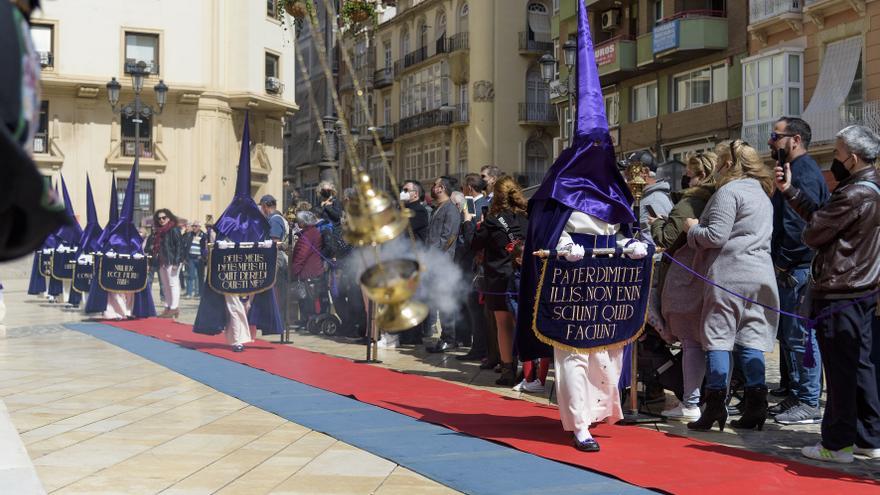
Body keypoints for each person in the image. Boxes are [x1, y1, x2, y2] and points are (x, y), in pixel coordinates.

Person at [775, 124, 880, 463]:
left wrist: (794, 198)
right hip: (859, 288)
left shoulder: (855, 193)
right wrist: (791, 191)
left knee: (840, 371)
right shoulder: (868, 188)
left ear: (851, 158)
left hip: (841, 289)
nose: (833, 159)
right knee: (859, 366)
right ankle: (868, 436)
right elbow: (823, 221)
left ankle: (837, 444)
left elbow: (815, 232)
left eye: (836, 154)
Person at [684, 140, 779, 433]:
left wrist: (692, 229)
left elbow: (715, 235)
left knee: (718, 338)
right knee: (751, 339)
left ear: (727, 164)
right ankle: (755, 406)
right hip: (761, 274)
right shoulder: (763, 194)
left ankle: (714, 406)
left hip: (730, 274)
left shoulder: (729, 192)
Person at [766, 117, 830, 425]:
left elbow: (799, 225)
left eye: (776, 136)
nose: (771, 142)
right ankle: (796, 392)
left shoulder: (803, 172)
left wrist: (782, 263)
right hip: (792, 266)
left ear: (795, 140)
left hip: (797, 268)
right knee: (790, 337)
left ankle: (808, 400)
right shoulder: (792, 170)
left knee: (802, 337)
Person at [648, 152, 717, 420]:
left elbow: (667, 237)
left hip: (687, 277)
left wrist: (657, 225)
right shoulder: (717, 198)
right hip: (709, 275)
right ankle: (707, 398)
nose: (686, 177)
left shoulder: (692, 202)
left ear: (699, 174)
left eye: (690, 172)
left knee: (690, 342)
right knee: (709, 342)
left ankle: (691, 400)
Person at [469, 176, 528, 384]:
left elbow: (475, 244)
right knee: (522, 324)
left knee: (503, 325)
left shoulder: (492, 219)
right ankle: (527, 369)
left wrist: (475, 225)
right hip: (523, 277)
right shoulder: (527, 217)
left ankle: (507, 370)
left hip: (499, 278)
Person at [424, 176, 462, 351]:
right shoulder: (436, 209)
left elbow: (449, 237)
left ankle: (450, 338)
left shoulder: (450, 210)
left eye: (435, 185)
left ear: (441, 188)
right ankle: (444, 336)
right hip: (434, 262)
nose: (432, 188)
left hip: (444, 262)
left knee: (445, 300)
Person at [507, 240, 550, 394]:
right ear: (518, 259)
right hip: (523, 316)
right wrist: (517, 312)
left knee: (543, 349)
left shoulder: (540, 271)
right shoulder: (515, 275)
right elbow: (510, 296)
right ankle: (528, 379)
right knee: (524, 348)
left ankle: (541, 381)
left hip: (540, 316)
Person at [146, 208, 186, 318]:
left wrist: (176, 262)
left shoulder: (174, 229)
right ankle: (168, 307)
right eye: (159, 218)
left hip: (172, 260)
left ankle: (174, 307)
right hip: (162, 261)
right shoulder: (159, 231)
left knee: (173, 283)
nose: (161, 220)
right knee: (165, 285)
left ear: (169, 217)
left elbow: (179, 246)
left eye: (164, 217)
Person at [289, 210, 324, 325]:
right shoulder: (312, 232)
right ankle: (307, 320)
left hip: (309, 271)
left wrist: (295, 271)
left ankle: (309, 321)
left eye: (299, 221)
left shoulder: (308, 235)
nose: (298, 224)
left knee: (307, 299)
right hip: (313, 270)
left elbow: (302, 254)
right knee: (308, 298)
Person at [638, 164, 674, 244]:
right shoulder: (647, 197)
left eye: (631, 171)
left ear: (645, 172)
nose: (626, 178)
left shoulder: (653, 200)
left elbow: (656, 243)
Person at [183, 222, 204, 299]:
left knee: (199, 277)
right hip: (190, 258)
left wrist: (203, 257)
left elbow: (205, 248)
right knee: (190, 276)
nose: (194, 227)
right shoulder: (190, 235)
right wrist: (185, 258)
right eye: (193, 226)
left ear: (199, 227)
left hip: (199, 258)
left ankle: (198, 293)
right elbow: (185, 247)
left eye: (195, 226)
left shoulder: (203, 235)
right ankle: (189, 293)